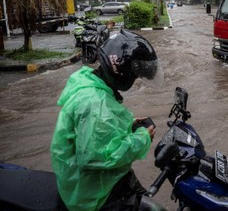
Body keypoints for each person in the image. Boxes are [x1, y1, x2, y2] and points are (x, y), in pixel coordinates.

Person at [50, 29, 163, 211]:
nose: (134, 80)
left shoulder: (90, 83)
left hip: (98, 181)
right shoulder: (95, 104)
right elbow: (99, 157)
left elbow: (97, 130)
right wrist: (141, 137)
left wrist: (128, 125)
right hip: (91, 195)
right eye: (134, 76)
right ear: (122, 72)